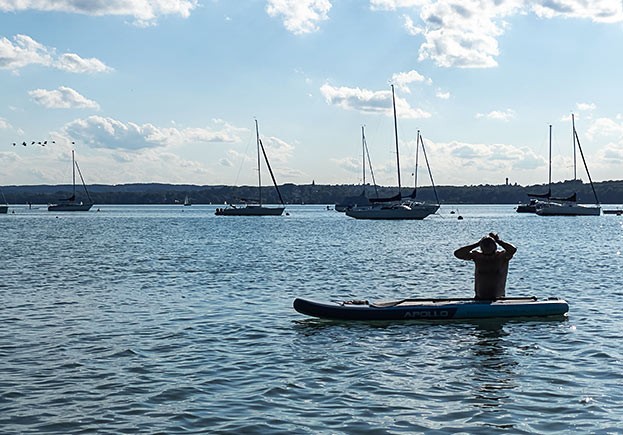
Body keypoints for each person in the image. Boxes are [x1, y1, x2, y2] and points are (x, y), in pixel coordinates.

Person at [454, 232, 517, 300]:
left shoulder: (501, 257)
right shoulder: (477, 256)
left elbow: (512, 250)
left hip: (498, 298)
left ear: (495, 246)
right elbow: (458, 254)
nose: (487, 246)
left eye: (489, 244)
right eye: (485, 244)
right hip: (479, 298)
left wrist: (499, 241)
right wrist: (476, 244)